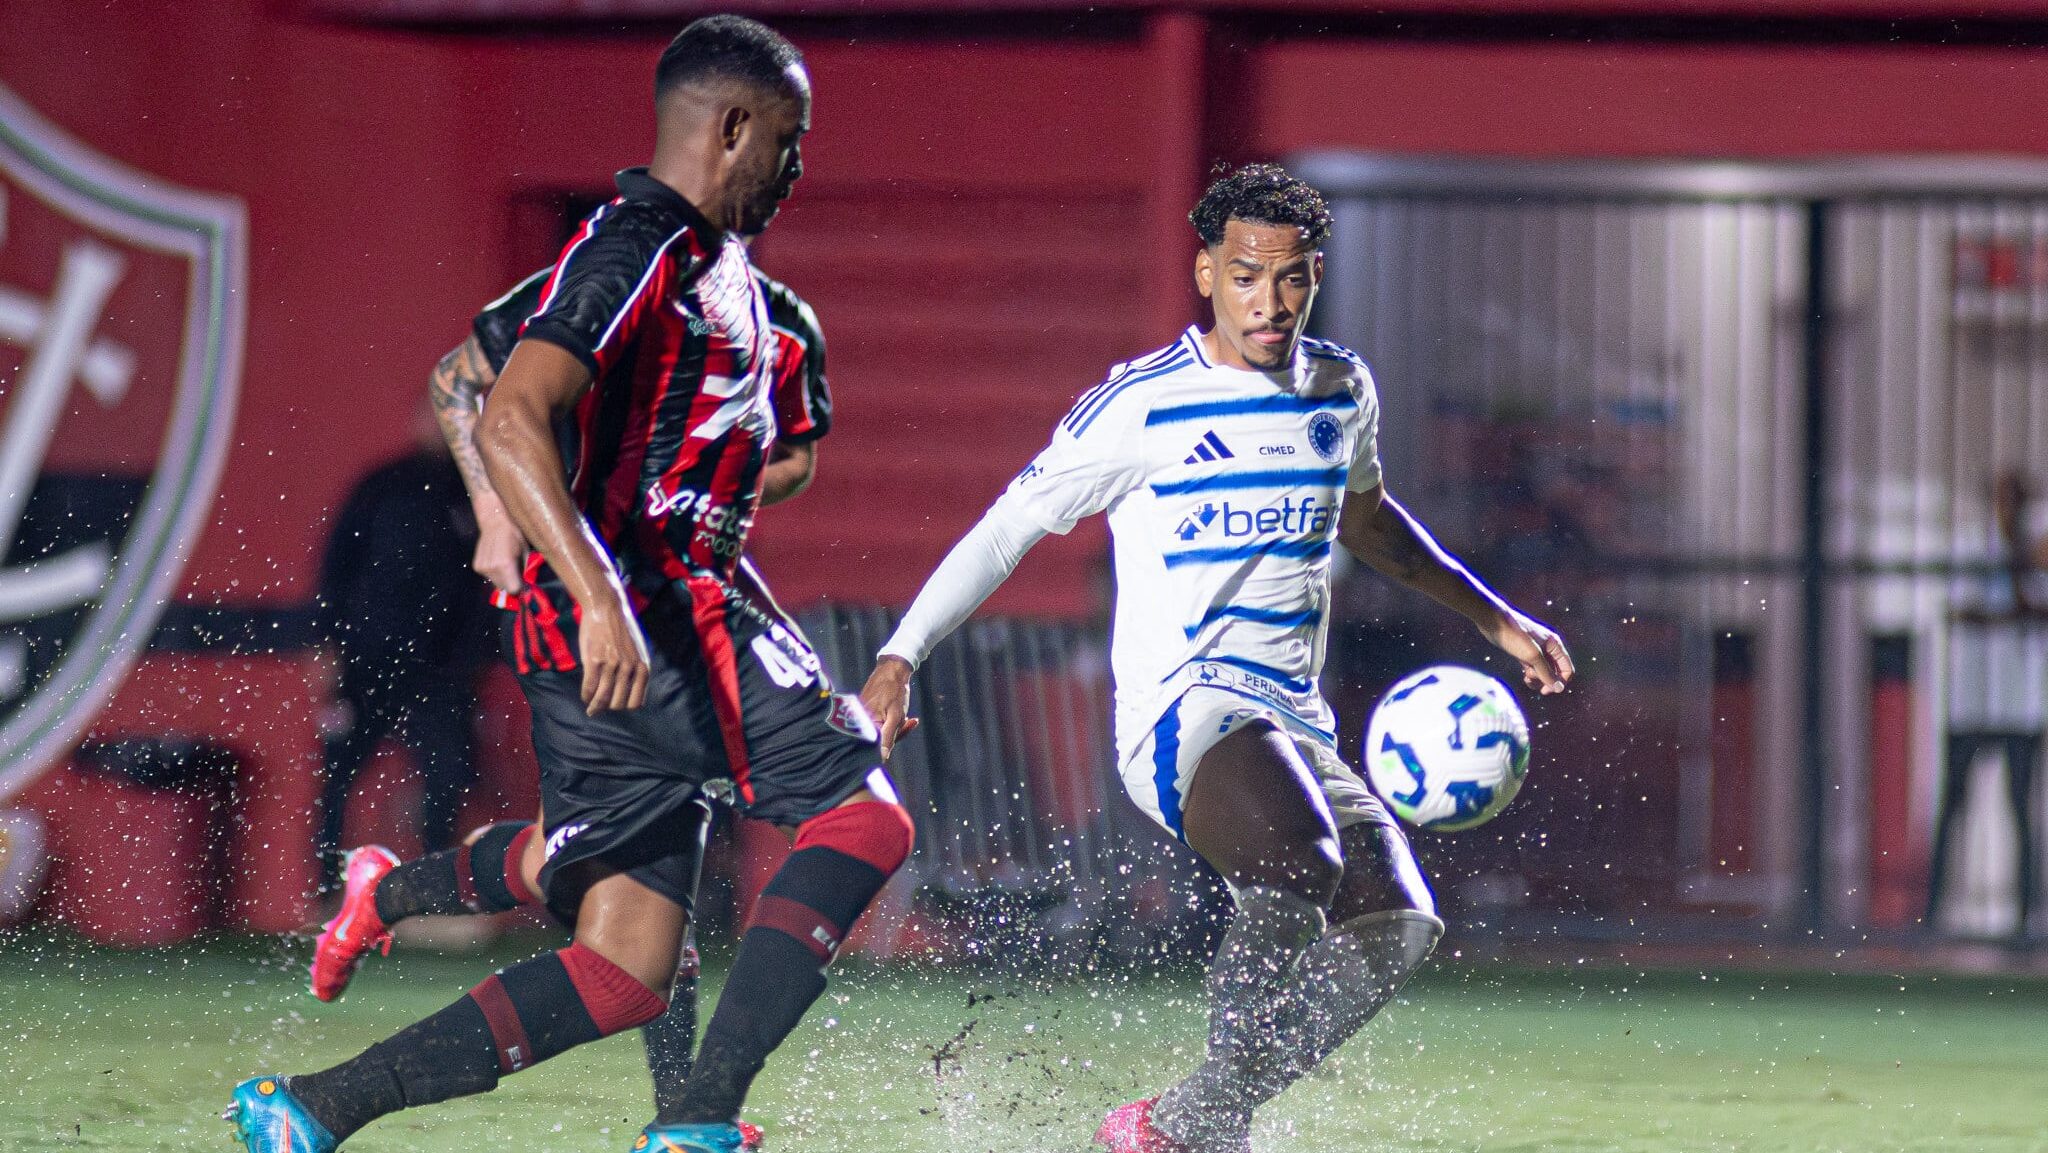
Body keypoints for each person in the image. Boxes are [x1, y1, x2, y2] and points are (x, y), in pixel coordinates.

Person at [227, 18, 911, 1153]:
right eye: (787, 143)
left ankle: (313, 1105)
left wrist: (687, 497)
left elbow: (773, 452)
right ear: (732, 127)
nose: (795, 169)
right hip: (648, 610)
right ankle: (694, 1123)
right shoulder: (634, 240)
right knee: (861, 813)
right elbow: (490, 398)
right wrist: (557, 558)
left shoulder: (734, 286)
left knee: (625, 965)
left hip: (621, 621)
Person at [860, 163, 1574, 1153]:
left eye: (1288, 280)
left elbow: (1368, 522)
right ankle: (1215, 1135)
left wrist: (1492, 617)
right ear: (1204, 273)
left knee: (1397, 927)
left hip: (1292, 718)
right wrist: (902, 652)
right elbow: (1004, 528)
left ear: (1313, 275)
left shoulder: (1337, 388)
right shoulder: (1139, 405)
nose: (1268, 302)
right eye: (1244, 276)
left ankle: (1182, 1116)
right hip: (1181, 711)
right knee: (1298, 857)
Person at [304, 259, 834, 1151]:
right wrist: (498, 508)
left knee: (609, 856)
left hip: (671, 603)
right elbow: (457, 379)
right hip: (580, 606)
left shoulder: (773, 320)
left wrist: (714, 481)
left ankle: (385, 893)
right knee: (639, 856)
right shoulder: (613, 273)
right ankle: (687, 1116)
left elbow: (795, 461)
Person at [312, 400, 492, 893]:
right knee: (338, 775)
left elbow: (486, 586)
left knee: (447, 773)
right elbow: (336, 566)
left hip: (442, 667)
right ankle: (326, 893)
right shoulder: (382, 486)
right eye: (434, 417)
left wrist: (474, 657)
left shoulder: (479, 493)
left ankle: (439, 891)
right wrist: (329, 647)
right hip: (368, 657)